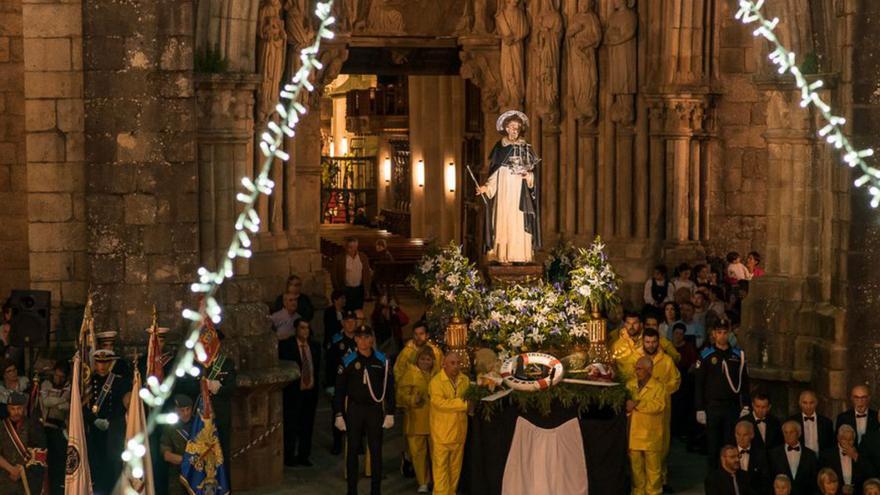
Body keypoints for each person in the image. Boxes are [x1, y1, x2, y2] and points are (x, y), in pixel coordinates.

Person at [334, 326, 395, 495]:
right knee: (352, 450)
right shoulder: (348, 361)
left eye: (366, 337)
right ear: (355, 339)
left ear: (371, 339)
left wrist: (390, 412)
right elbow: (339, 391)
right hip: (355, 409)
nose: (362, 341)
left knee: (376, 451)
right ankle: (351, 491)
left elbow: (390, 388)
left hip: (374, 410)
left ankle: (376, 491)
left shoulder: (382, 360)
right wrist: (339, 414)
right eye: (359, 337)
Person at [477, 110, 542, 265]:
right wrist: (486, 188)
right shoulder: (500, 148)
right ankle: (503, 256)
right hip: (504, 192)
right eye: (512, 126)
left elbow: (534, 174)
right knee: (503, 220)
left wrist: (529, 177)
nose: (515, 130)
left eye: (518, 127)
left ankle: (520, 255)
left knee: (519, 222)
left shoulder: (526, 147)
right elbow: (495, 174)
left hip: (521, 193)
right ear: (506, 128)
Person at [695, 321, 751, 466]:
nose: (722, 336)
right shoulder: (707, 355)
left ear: (730, 333)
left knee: (730, 445)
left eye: (725, 332)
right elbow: (699, 384)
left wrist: (746, 404)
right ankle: (713, 481)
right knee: (713, 447)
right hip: (713, 407)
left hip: (732, 407)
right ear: (713, 334)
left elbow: (744, 382)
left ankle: (729, 479)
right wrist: (699, 408)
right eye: (719, 332)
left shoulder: (738, 356)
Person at [85, 349, 130, 495]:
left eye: (105, 363)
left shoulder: (119, 381)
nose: (102, 366)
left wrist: (110, 420)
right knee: (96, 464)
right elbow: (82, 406)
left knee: (113, 464)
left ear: (110, 363)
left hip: (113, 430)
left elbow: (122, 405)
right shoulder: (88, 381)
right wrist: (94, 420)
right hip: (94, 430)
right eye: (98, 362)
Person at [641, 328, 680, 491]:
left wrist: (660, 390)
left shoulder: (667, 361)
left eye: (654, 342)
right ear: (643, 341)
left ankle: (661, 481)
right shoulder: (636, 359)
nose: (651, 345)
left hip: (661, 410)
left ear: (659, 342)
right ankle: (641, 483)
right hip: (641, 411)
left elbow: (676, 380)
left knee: (662, 445)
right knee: (639, 447)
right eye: (648, 342)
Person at [429, 352, 470, 495]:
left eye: (458, 363)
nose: (456, 366)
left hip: (459, 433)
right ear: (443, 364)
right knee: (440, 471)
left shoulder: (465, 380)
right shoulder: (436, 382)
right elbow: (439, 403)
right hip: (442, 434)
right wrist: (465, 405)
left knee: (455, 470)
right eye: (452, 363)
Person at [399, 347, 437, 493]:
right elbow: (401, 396)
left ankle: (435, 480)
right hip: (415, 420)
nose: (425, 362)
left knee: (435, 453)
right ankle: (423, 481)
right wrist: (413, 399)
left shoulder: (437, 374)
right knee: (418, 453)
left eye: (428, 359)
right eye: (422, 359)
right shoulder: (410, 374)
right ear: (417, 360)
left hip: (434, 421)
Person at [627, 356, 667, 495]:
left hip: (651, 435)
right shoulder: (630, 385)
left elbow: (659, 406)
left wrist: (638, 404)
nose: (636, 371)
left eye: (639, 369)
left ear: (649, 370)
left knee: (653, 470)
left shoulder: (659, 387)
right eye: (636, 368)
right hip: (633, 435)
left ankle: (654, 493)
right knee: (636, 470)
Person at [283, 319, 320, 467]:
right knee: (291, 424)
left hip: (310, 392)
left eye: (307, 328)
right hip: (294, 393)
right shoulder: (287, 346)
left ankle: (304, 455)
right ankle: (289, 456)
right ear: (296, 329)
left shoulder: (315, 347)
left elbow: (315, 368)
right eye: (302, 328)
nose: (305, 331)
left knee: (307, 425)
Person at [0, 391, 46, 495]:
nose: (16, 412)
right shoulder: (1, 427)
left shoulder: (34, 426)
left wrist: (22, 469)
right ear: (8, 408)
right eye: (13, 408)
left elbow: (41, 455)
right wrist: (11, 469)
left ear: (24, 408)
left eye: (19, 408)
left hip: (27, 481)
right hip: (4, 481)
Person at [327, 311, 359, 455]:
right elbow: (330, 363)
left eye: (353, 321)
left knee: (357, 415)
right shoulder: (337, 341)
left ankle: (357, 444)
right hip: (340, 384)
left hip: (357, 384)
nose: (350, 323)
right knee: (338, 413)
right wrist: (329, 385)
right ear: (343, 323)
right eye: (347, 321)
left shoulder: (361, 339)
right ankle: (337, 444)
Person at [40, 360, 70, 495]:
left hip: (58, 430)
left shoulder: (68, 386)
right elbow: (46, 402)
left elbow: (66, 407)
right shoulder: (46, 384)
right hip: (44, 428)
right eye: (56, 375)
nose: (58, 378)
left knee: (57, 463)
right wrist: (61, 401)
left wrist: (58, 403)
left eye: (61, 376)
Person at [819, 425, 872, 495]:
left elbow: (870, 474)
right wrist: (840, 488)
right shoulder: (827, 455)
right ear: (838, 438)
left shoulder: (861, 453)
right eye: (844, 439)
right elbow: (823, 480)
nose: (848, 442)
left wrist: (855, 456)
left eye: (851, 439)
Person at [769, 421, 818, 495]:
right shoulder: (773, 454)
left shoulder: (810, 455)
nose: (788, 435)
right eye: (785, 432)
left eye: (791, 432)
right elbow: (770, 478)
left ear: (799, 433)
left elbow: (814, 481)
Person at [160, 394, 194, 495]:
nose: (186, 413)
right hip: (178, 477)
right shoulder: (170, 428)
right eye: (182, 410)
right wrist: (188, 461)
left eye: (188, 409)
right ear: (176, 410)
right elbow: (166, 455)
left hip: (197, 476)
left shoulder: (198, 425)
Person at [670, 323, 699, 442]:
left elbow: (695, 363)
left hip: (684, 380)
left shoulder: (688, 347)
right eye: (676, 333)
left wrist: (689, 371)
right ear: (672, 334)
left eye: (681, 334)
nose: (678, 336)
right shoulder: (668, 347)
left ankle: (682, 432)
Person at [331, 237, 373, 311]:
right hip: (345, 289)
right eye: (347, 247)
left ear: (356, 247)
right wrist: (337, 289)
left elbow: (367, 274)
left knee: (358, 311)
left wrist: (367, 290)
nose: (348, 249)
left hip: (359, 289)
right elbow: (334, 275)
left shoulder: (362, 257)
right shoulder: (339, 258)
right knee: (346, 311)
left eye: (351, 247)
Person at [790, 390, 836, 454]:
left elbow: (831, 444)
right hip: (800, 459)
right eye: (805, 403)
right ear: (800, 403)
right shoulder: (792, 421)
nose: (808, 406)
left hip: (821, 460)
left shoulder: (826, 422)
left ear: (816, 403)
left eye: (811, 403)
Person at [735, 421, 770, 495]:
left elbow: (765, 480)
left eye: (745, 435)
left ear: (752, 435)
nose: (741, 438)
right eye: (738, 434)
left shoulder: (761, 454)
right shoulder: (728, 453)